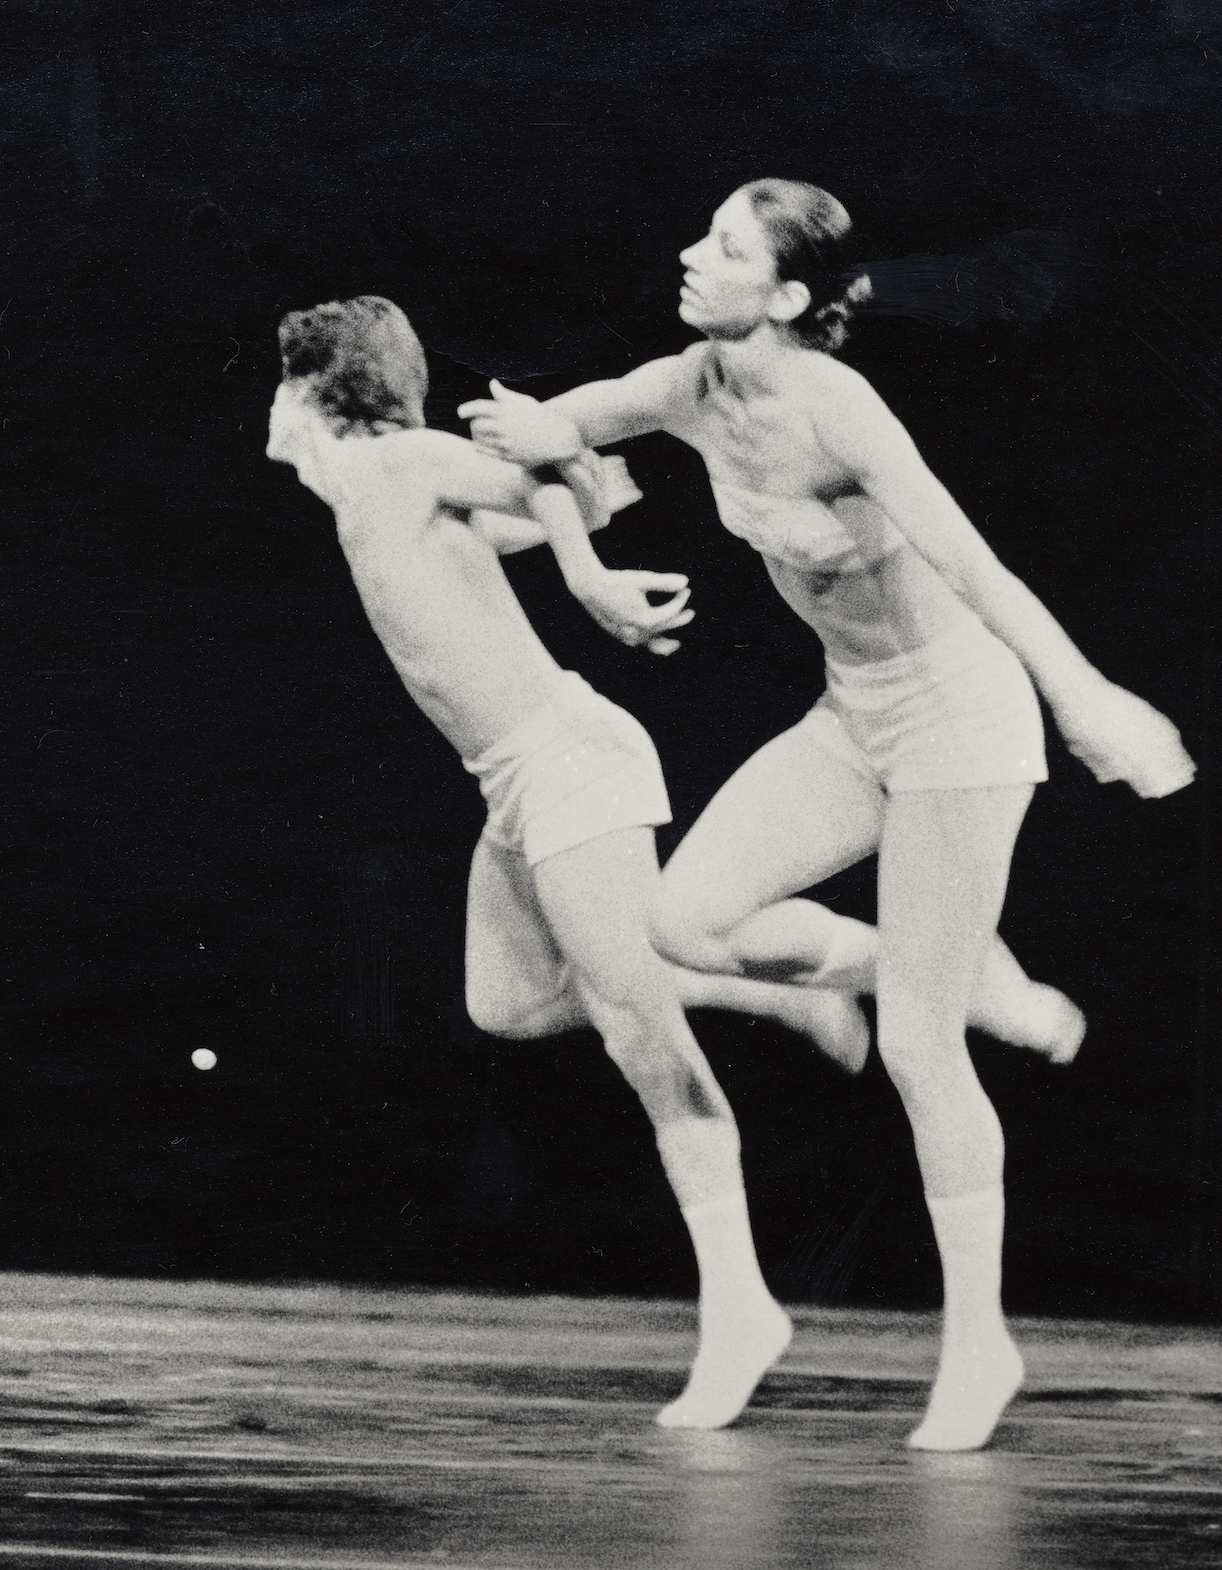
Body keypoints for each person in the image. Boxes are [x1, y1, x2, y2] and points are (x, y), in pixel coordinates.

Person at [461, 180, 1195, 1451]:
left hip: (960, 722)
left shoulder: (836, 406)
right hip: (852, 715)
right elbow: (565, 428)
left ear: (787, 295)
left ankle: (979, 1342)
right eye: (701, 235)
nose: (690, 255)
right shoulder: (692, 383)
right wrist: (549, 464)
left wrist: (1084, 696)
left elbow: (973, 565)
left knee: (916, 1043)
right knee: (683, 921)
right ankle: (957, 974)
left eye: (724, 248)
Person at [265, 295, 870, 1432]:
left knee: (644, 1040)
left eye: (277, 383)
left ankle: (742, 1310)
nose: (267, 406)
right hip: (518, 786)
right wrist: (591, 490)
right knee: (505, 1007)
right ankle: (775, 995)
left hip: (570, 766)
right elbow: (539, 498)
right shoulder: (375, 496)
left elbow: (538, 480)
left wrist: (586, 564)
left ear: (314, 392)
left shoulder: (397, 462)